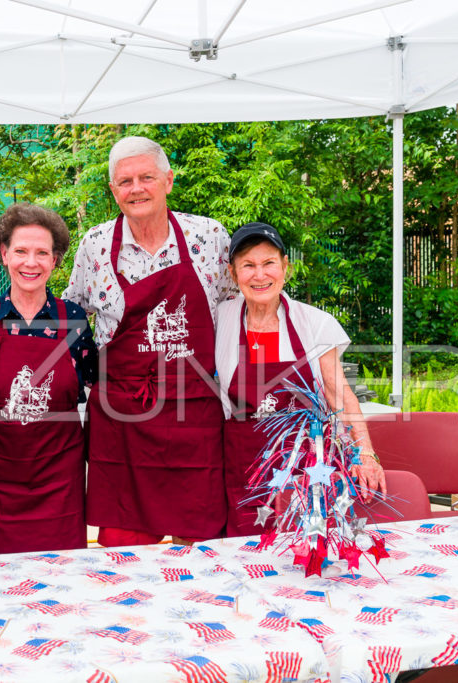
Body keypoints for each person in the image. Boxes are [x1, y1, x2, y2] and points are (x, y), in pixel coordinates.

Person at [63, 136, 235, 547]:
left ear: (168, 181)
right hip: (123, 419)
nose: (136, 188)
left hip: (193, 413)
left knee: (201, 547)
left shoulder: (210, 236)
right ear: (113, 191)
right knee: (125, 550)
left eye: (146, 177)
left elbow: (234, 312)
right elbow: (72, 319)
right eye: (125, 181)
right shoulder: (95, 244)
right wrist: (91, 381)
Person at [216, 222, 387, 536]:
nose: (259, 275)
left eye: (269, 263)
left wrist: (365, 452)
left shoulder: (315, 323)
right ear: (232, 273)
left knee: (305, 555)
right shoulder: (220, 319)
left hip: (307, 469)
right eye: (248, 266)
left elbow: (339, 394)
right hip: (242, 471)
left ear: (285, 267)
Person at [0, 203, 97, 555]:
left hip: (59, 472)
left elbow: (94, 379)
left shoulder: (74, 319)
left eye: (41, 253)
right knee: (1, 570)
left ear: (55, 260)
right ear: (4, 254)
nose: (30, 263)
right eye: (20, 251)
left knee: (64, 566)